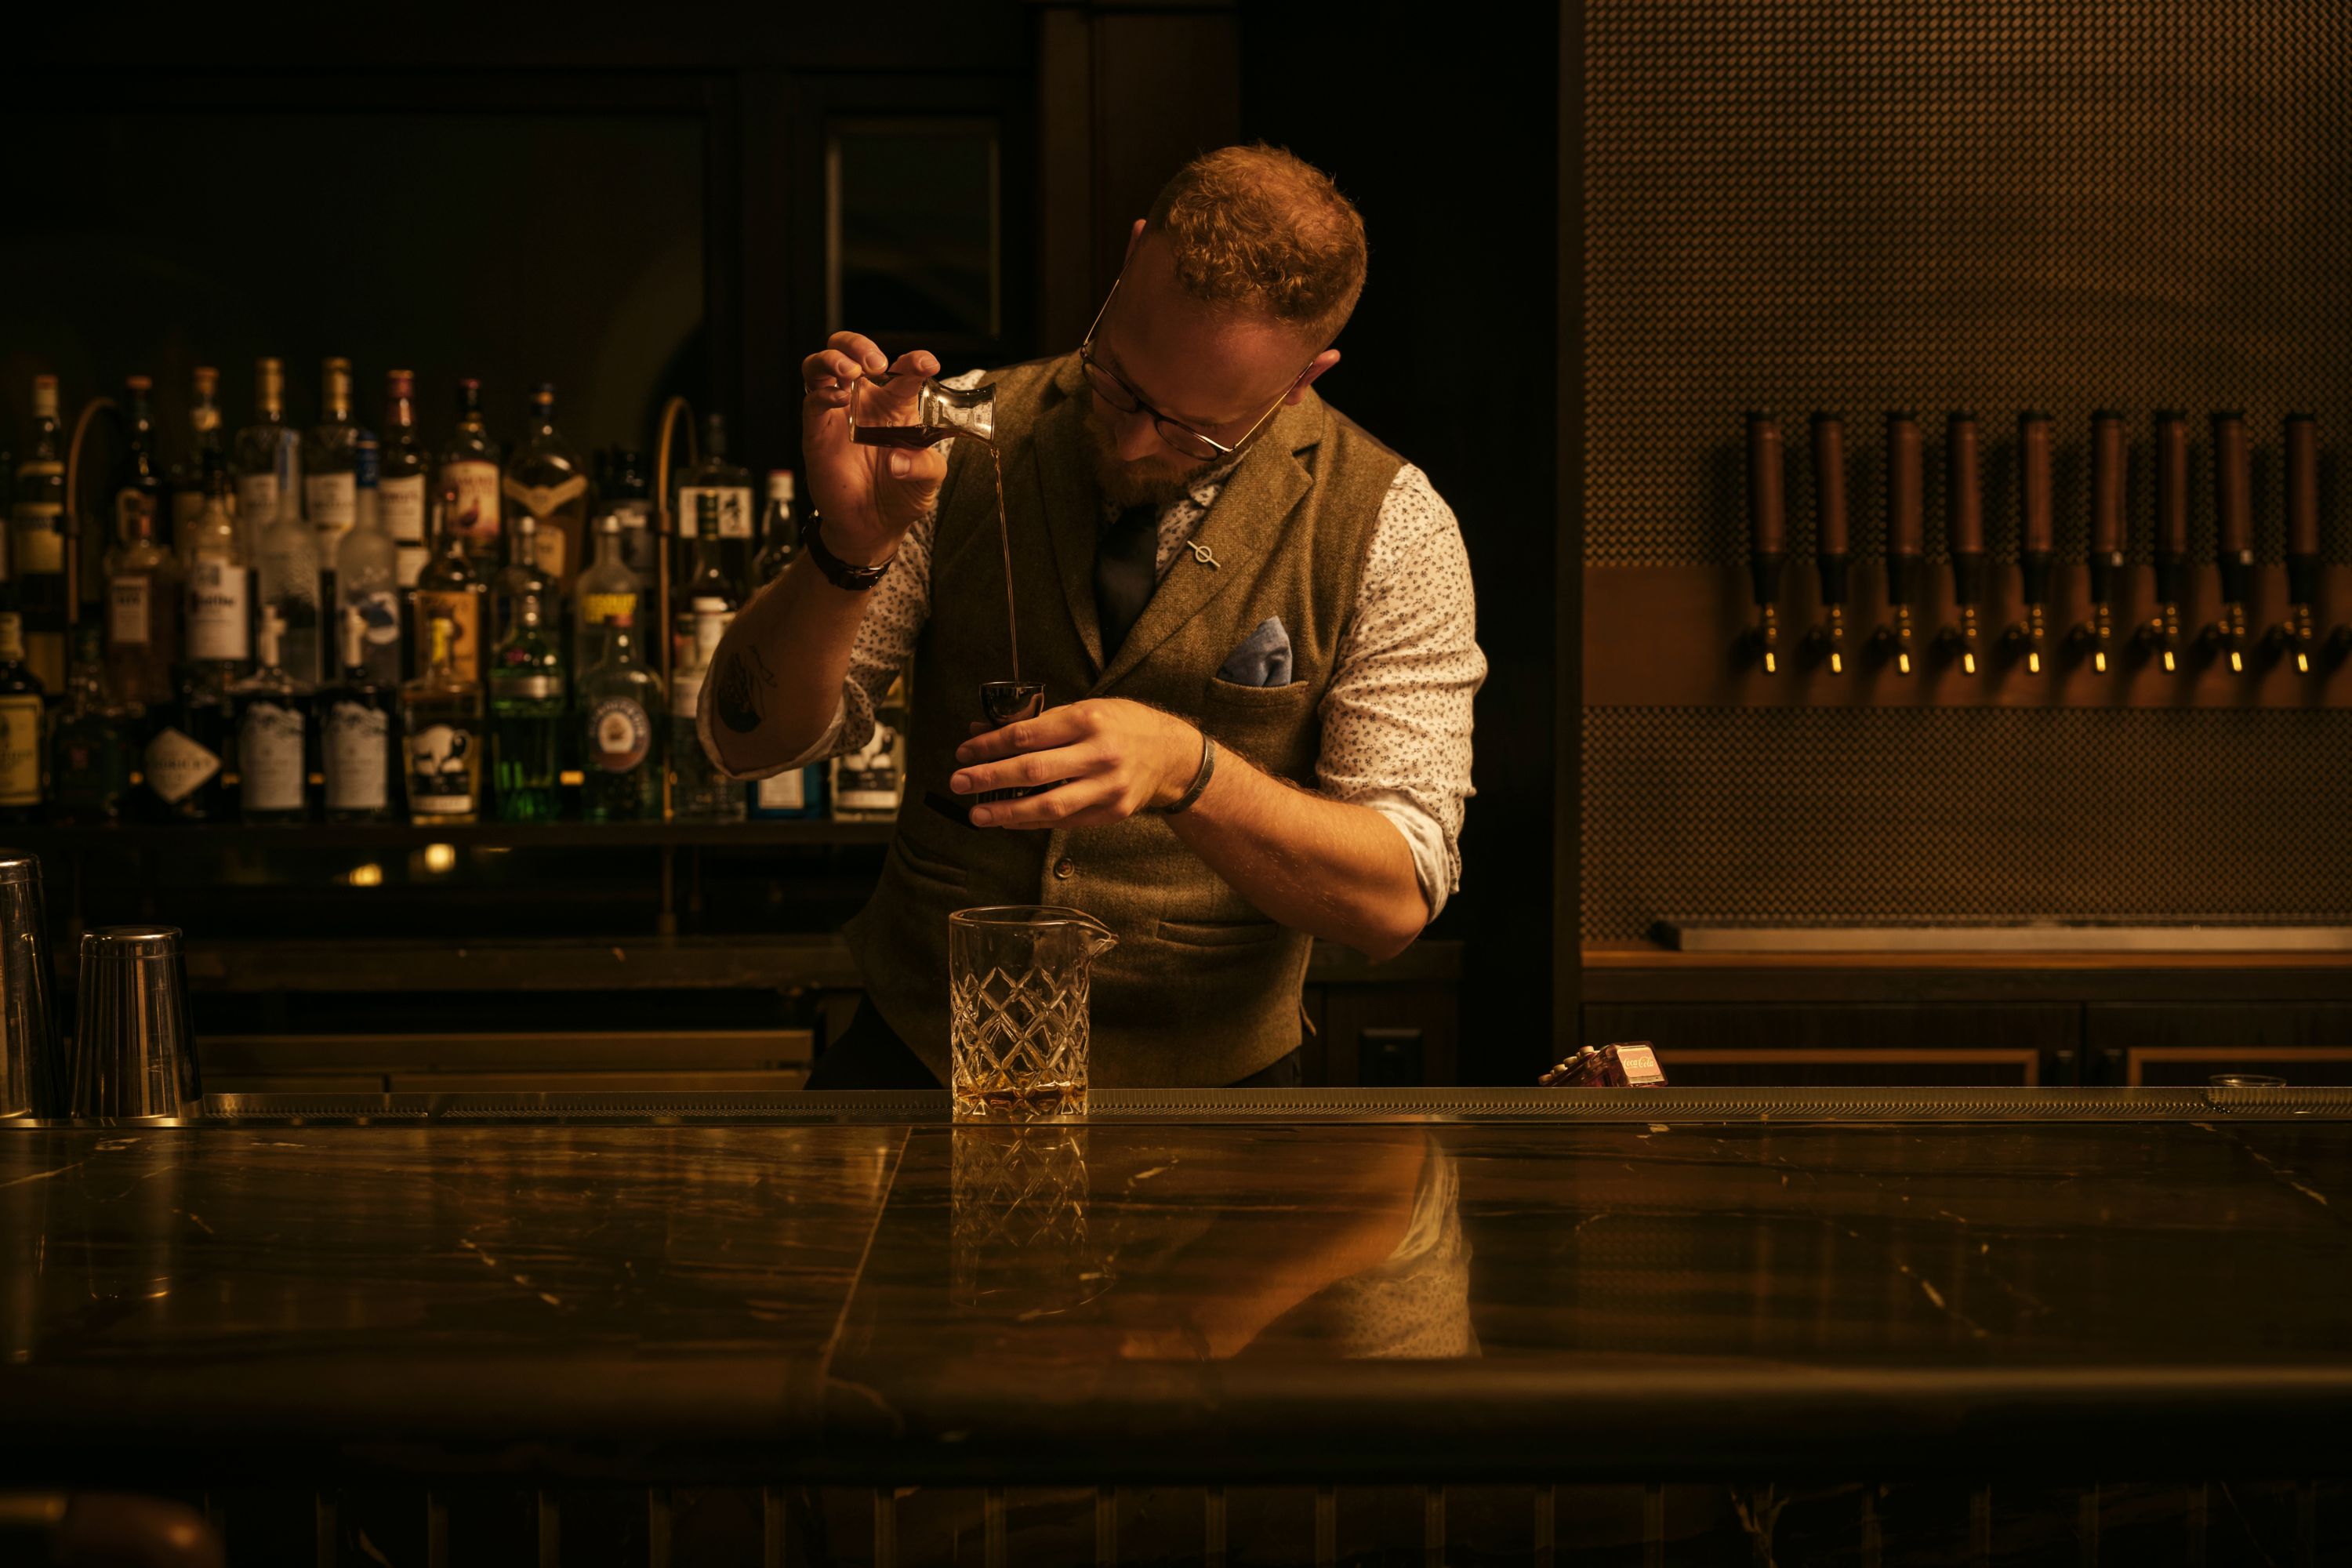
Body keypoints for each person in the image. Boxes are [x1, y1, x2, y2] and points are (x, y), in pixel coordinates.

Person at [702, 143, 1483, 1090]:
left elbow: (1396, 896)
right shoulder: (954, 439)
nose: (1130, 434)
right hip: (920, 1061)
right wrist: (847, 548)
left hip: (1219, 1105)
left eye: (1191, 427)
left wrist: (1189, 773)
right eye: (1115, 375)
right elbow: (744, 743)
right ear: (1132, 254)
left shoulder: (1391, 523)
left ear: (1303, 376)